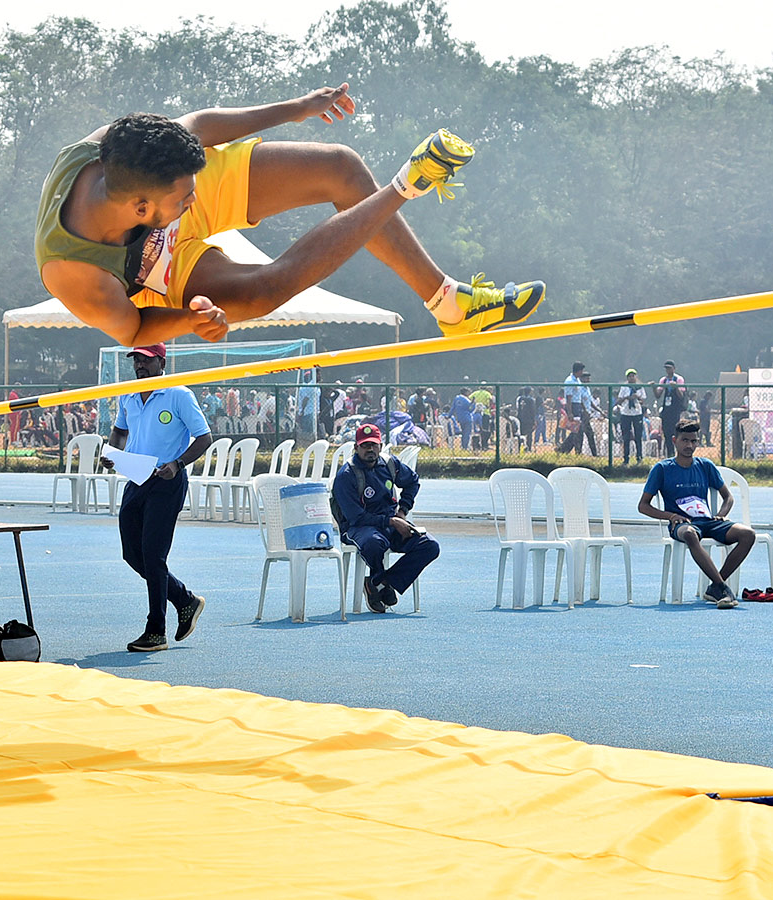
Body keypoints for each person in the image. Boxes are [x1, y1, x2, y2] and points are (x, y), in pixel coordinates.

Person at [35, 86, 544, 347]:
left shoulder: (118, 147)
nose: (191, 200)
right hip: (151, 268)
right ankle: (406, 186)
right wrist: (190, 320)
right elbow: (133, 330)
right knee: (261, 291)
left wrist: (297, 107)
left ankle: (449, 303)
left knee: (340, 168)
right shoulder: (77, 276)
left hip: (158, 202)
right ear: (141, 209)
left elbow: (201, 127)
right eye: (182, 197)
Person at [100, 343, 212, 652]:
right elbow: (120, 431)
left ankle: (156, 631)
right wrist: (113, 453)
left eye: (146, 360)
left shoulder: (178, 394)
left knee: (153, 555)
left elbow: (204, 437)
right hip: (137, 477)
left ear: (161, 361)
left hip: (167, 480)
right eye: (136, 360)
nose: (139, 366)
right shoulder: (129, 394)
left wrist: (177, 464)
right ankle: (183, 599)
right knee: (132, 554)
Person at [637, 419, 753, 609]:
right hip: (682, 525)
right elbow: (643, 506)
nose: (689, 445)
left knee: (748, 534)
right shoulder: (662, 469)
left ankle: (717, 586)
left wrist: (721, 514)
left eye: (694, 441)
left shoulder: (705, 465)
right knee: (690, 534)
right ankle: (722, 588)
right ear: (674, 441)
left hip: (709, 522)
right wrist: (671, 516)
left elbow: (728, 497)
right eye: (684, 440)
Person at [332, 423, 439, 613]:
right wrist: (392, 522)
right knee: (374, 543)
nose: (370, 450)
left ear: (380, 446)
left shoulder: (390, 463)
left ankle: (380, 583)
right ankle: (380, 584)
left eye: (373, 445)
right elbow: (356, 517)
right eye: (364, 446)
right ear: (356, 448)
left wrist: (402, 513)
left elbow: (413, 481)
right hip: (358, 527)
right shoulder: (346, 475)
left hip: (390, 522)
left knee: (429, 545)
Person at [559, 362, 598, 455]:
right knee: (577, 431)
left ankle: (563, 450)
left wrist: (584, 410)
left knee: (577, 431)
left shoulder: (578, 381)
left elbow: (580, 397)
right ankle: (574, 452)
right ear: (579, 371)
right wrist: (570, 412)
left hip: (578, 406)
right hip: (573, 405)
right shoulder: (570, 381)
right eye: (582, 371)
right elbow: (568, 397)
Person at [652, 360, 687, 456]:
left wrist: (675, 387)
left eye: (670, 368)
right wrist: (654, 388)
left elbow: (681, 395)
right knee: (666, 432)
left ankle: (678, 452)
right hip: (666, 409)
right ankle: (669, 453)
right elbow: (658, 395)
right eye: (666, 368)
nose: (668, 370)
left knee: (675, 431)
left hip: (675, 409)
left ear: (674, 369)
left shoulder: (678, 379)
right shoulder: (663, 380)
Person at [616, 368, 647, 464]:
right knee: (626, 437)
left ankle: (639, 457)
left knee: (638, 436)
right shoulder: (624, 387)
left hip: (637, 413)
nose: (631, 378)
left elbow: (643, 400)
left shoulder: (639, 387)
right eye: (629, 376)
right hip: (626, 413)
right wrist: (627, 398)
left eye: (633, 376)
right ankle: (626, 458)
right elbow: (619, 401)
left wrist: (637, 397)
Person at [296, 369, 320, 441]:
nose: (320, 377)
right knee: (308, 432)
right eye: (318, 375)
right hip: (309, 412)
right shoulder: (311, 386)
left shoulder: (317, 386)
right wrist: (302, 410)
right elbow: (305, 399)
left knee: (316, 431)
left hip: (315, 412)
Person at [516, 386, 537, 452]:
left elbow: (518, 409)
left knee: (521, 433)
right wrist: (534, 420)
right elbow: (532, 411)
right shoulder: (531, 400)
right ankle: (528, 448)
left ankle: (519, 447)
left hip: (520, 418)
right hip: (529, 419)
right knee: (529, 434)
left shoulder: (520, 399)